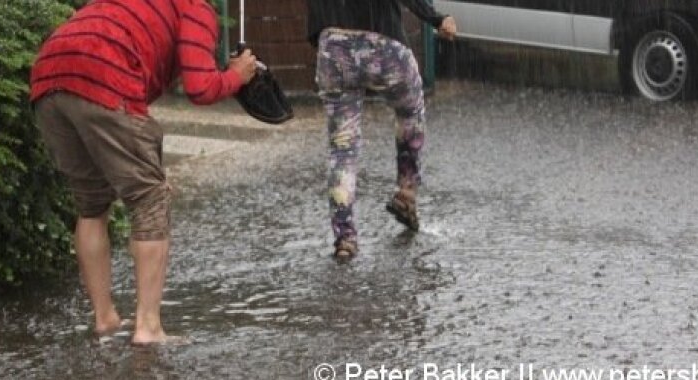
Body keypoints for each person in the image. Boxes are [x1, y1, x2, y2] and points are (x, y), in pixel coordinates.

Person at [30, 0, 257, 344]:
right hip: (104, 71)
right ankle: (148, 327)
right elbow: (201, 88)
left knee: (91, 205)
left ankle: (105, 318)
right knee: (150, 197)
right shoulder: (195, 6)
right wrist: (237, 76)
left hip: (48, 77)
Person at [307, 0, 457, 259]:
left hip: (333, 45)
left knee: (342, 148)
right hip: (382, 43)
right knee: (410, 111)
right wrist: (436, 18)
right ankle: (407, 191)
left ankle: (345, 238)